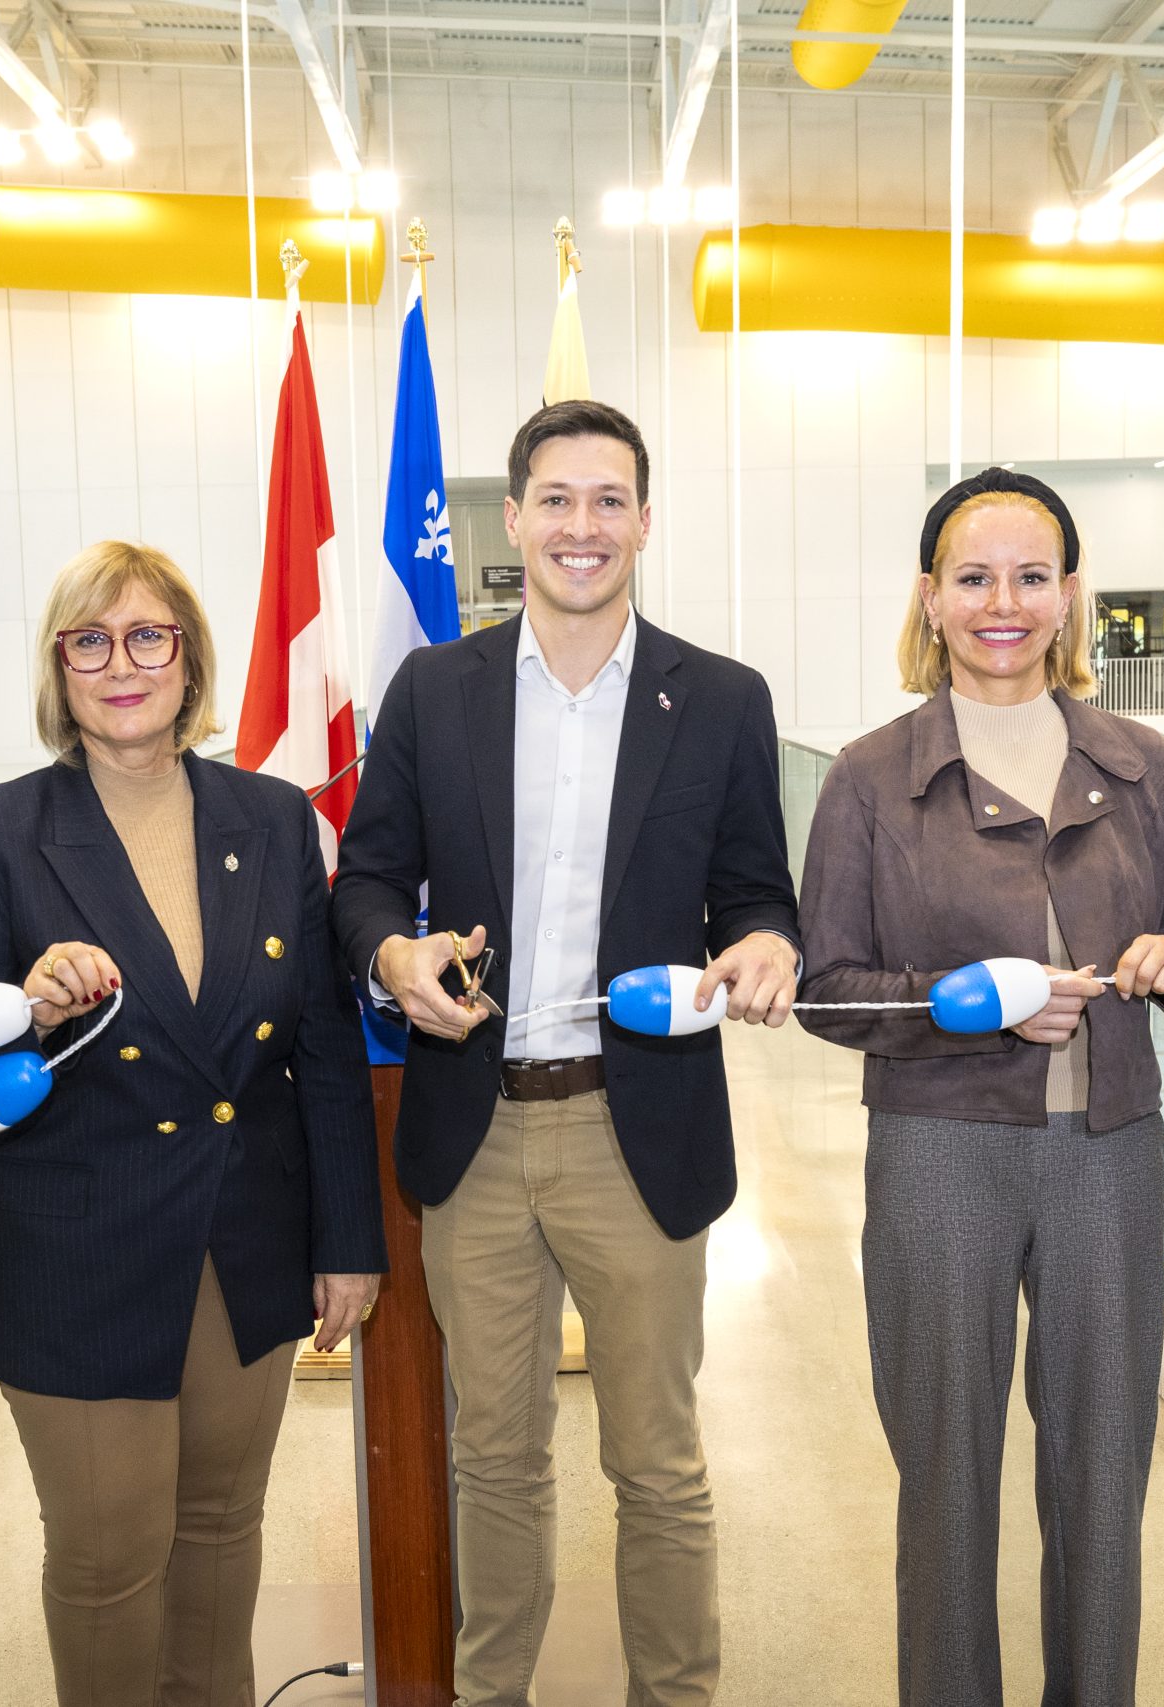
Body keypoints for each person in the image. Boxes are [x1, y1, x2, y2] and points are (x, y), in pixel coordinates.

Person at [331, 398, 801, 1707]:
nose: (581, 524)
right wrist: (395, 958)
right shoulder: (436, 688)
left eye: (609, 499)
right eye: (556, 496)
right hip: (471, 1134)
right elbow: (367, 879)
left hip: (637, 1125)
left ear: (644, 520)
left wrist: (767, 947)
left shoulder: (719, 698)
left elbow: (758, 892)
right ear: (514, 516)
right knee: (495, 1457)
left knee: (657, 1461)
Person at [0, 540, 385, 1706]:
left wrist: (348, 1239)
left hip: (244, 1242)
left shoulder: (268, 818)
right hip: (76, 1253)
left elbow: (316, 1041)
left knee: (222, 1534)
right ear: (60, 669)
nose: (123, 663)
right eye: (91, 640)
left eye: (149, 635)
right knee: (111, 1561)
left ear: (190, 658)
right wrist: (25, 1008)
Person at [794, 469, 1164, 1707]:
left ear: (1070, 595)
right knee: (946, 1478)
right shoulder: (871, 776)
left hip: (1107, 1156)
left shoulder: (1138, 761)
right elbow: (828, 990)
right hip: (939, 1154)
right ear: (929, 598)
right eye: (972, 577)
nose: (1003, 602)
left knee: (1102, 1480)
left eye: (1032, 576)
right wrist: (968, 999)